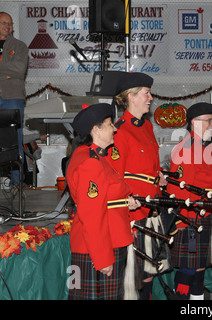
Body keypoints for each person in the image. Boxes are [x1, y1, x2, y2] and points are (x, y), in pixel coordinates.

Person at [66, 103, 141, 300]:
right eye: (110, 124)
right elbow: (91, 214)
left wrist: (124, 201)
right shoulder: (90, 162)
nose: (115, 128)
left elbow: (106, 198)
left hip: (106, 241)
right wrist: (102, 258)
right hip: (99, 248)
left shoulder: (97, 158)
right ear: (96, 130)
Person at [108, 72, 168, 300]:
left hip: (152, 209)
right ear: (131, 97)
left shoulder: (147, 127)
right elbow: (116, 176)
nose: (151, 98)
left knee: (149, 272)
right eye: (146, 93)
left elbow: (145, 168)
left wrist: (158, 176)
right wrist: (126, 208)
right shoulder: (119, 131)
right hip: (133, 212)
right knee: (134, 275)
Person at [165, 102, 212, 300]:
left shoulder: (208, 147)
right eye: (209, 120)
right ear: (194, 123)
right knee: (189, 267)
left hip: (208, 213)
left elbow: (209, 180)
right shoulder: (186, 148)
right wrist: (182, 221)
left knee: (200, 265)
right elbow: (177, 190)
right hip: (191, 218)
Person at [0, 12, 29, 190]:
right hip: (9, 88)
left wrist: (11, 71)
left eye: (10, 23)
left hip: (12, 97)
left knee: (14, 140)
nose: (8, 26)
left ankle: (17, 182)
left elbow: (19, 69)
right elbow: (11, 70)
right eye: (3, 22)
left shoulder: (19, 46)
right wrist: (6, 71)